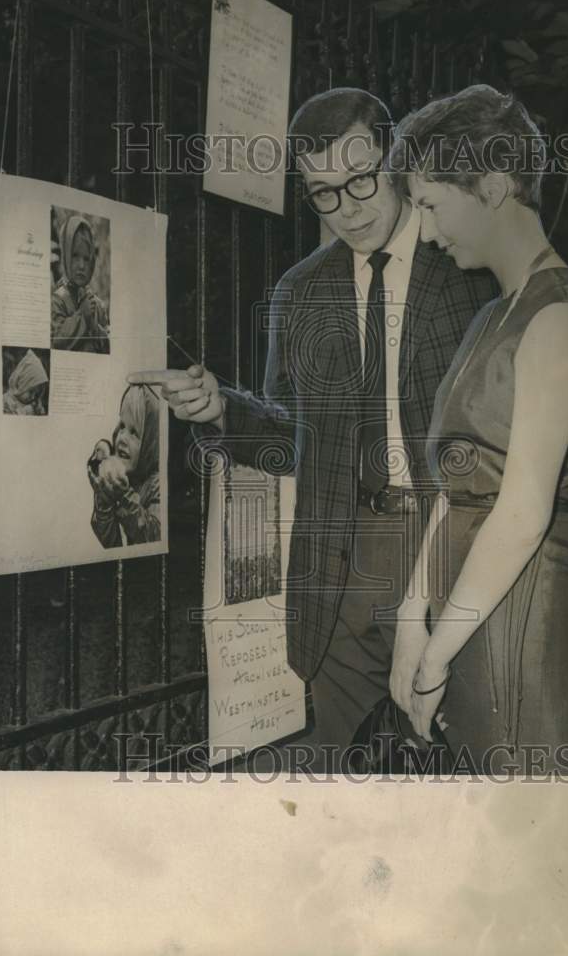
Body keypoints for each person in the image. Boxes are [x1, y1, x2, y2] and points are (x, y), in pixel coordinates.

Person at [129, 87, 496, 772]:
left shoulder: (470, 269)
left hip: (452, 547)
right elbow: (288, 440)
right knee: (346, 773)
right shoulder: (299, 292)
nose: (346, 209)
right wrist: (218, 411)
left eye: (360, 182)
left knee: (465, 772)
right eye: (323, 192)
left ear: (395, 160)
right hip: (342, 555)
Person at [386, 84, 568, 774]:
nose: (424, 232)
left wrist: (433, 652)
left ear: (488, 186)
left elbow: (519, 515)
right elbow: (456, 488)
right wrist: (409, 616)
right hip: (470, 605)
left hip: (526, 609)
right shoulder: (493, 316)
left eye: (429, 204)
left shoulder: (559, 319)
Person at [88, 384, 161, 547]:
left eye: (134, 432)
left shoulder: (156, 484)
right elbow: (111, 543)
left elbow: (154, 537)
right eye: (121, 426)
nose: (122, 438)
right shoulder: (122, 478)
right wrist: (103, 500)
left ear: (150, 442)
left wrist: (125, 497)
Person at [51, 214, 110, 354]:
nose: (81, 265)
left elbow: (107, 347)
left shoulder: (98, 306)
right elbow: (56, 341)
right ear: (65, 256)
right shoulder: (57, 300)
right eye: (75, 256)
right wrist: (82, 315)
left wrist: (93, 325)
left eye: (86, 258)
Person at [2, 348, 48, 415]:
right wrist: (26, 412)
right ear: (22, 384)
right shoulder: (6, 401)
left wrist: (39, 411)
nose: (32, 397)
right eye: (31, 391)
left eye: (36, 394)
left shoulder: (31, 403)